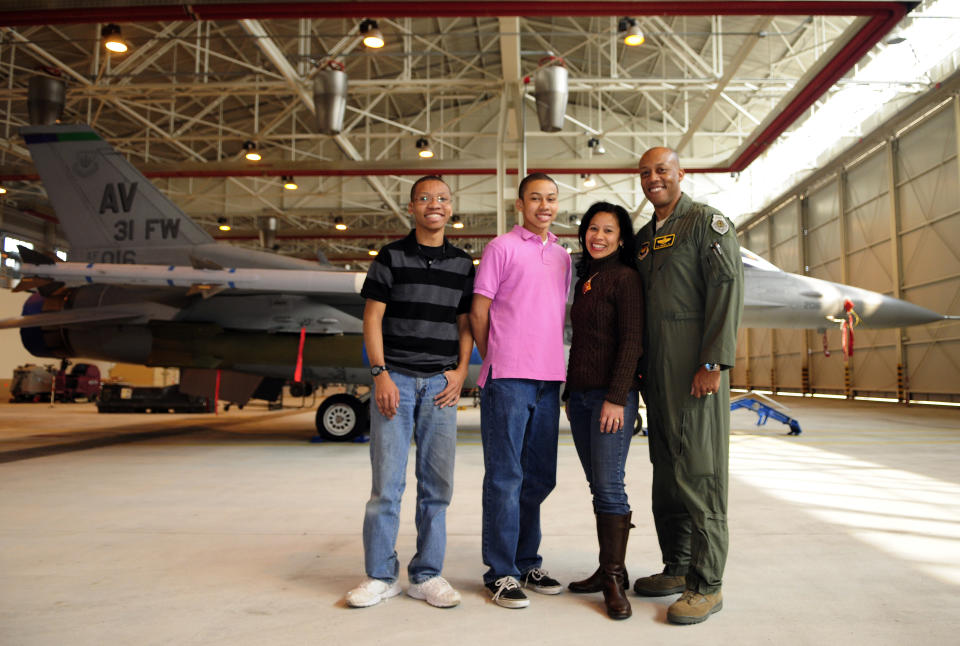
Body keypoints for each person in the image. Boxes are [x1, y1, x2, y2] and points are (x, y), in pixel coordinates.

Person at [345, 175, 475, 609]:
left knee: (437, 486)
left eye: (441, 198)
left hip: (440, 385)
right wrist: (380, 373)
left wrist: (459, 373)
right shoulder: (390, 256)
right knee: (387, 485)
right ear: (412, 207)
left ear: (450, 208)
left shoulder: (462, 263)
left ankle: (426, 575)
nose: (433, 204)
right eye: (425, 198)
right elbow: (372, 319)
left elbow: (464, 325)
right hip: (395, 383)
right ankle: (381, 575)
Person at [632, 147, 744, 625]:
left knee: (700, 473)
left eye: (661, 170)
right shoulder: (642, 239)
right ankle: (677, 566)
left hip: (694, 369)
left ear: (680, 174)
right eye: (645, 172)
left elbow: (726, 288)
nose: (653, 178)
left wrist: (713, 361)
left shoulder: (706, 223)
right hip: (657, 374)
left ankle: (707, 584)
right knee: (667, 473)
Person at [470, 173, 572, 609]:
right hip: (508, 378)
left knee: (538, 477)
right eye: (535, 199)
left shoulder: (564, 257)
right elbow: (479, 311)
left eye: (550, 199)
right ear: (520, 204)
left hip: (550, 380)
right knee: (505, 477)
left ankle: (527, 560)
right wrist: (494, 357)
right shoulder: (501, 248)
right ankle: (501, 572)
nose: (544, 206)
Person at [564, 202, 643, 620]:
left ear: (622, 237)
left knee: (610, 485)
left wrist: (617, 396)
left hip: (611, 398)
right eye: (592, 229)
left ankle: (612, 580)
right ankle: (611, 568)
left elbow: (632, 341)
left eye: (608, 231)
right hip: (579, 397)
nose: (598, 237)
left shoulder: (625, 278)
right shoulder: (587, 279)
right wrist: (569, 392)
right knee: (599, 484)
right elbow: (582, 342)